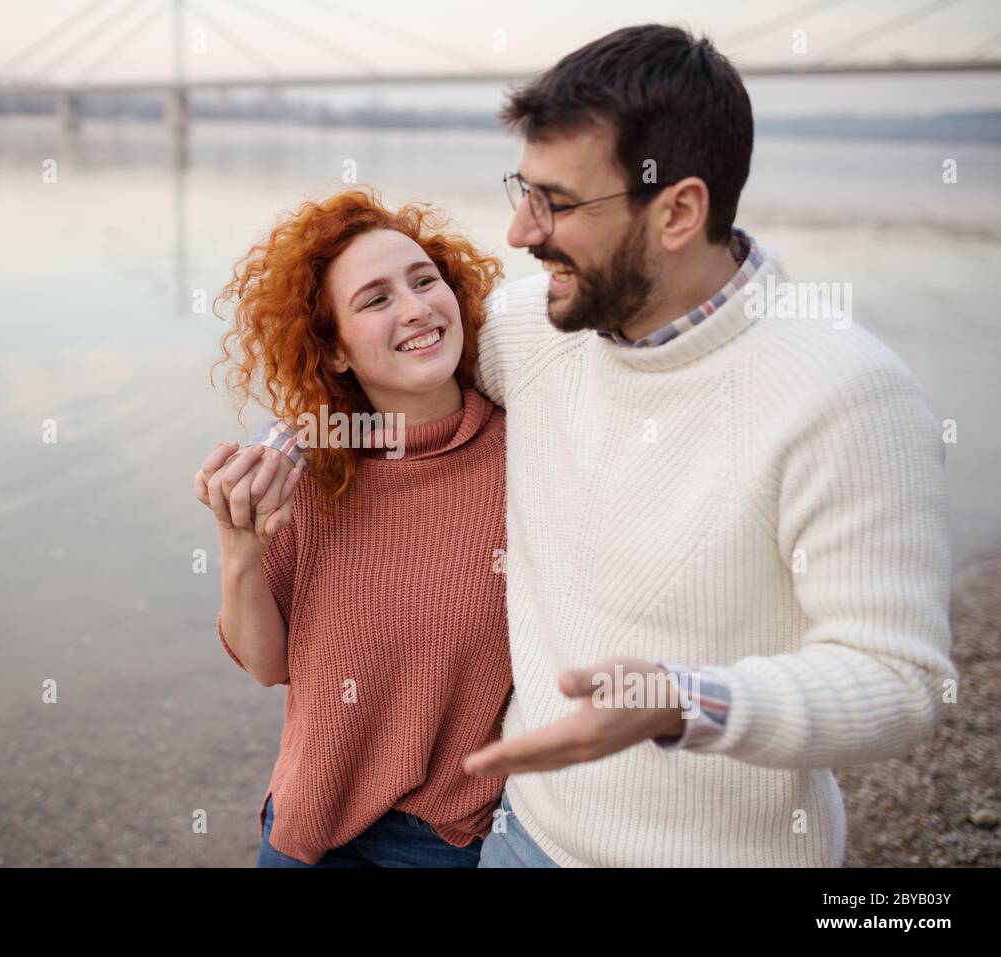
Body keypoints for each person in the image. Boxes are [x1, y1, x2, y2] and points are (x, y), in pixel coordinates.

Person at [236, 24, 956, 868]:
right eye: (523, 188)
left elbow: (900, 680)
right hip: (518, 839)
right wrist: (283, 446)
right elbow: (384, 368)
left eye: (557, 203)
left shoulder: (845, 393)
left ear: (679, 210)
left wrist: (685, 703)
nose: (517, 232)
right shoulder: (531, 329)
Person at [194, 189, 512, 867]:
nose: (416, 308)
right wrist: (240, 554)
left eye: (425, 280)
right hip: (304, 828)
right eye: (375, 299)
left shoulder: (527, 457)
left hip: (447, 840)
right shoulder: (309, 470)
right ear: (335, 350)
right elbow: (267, 664)